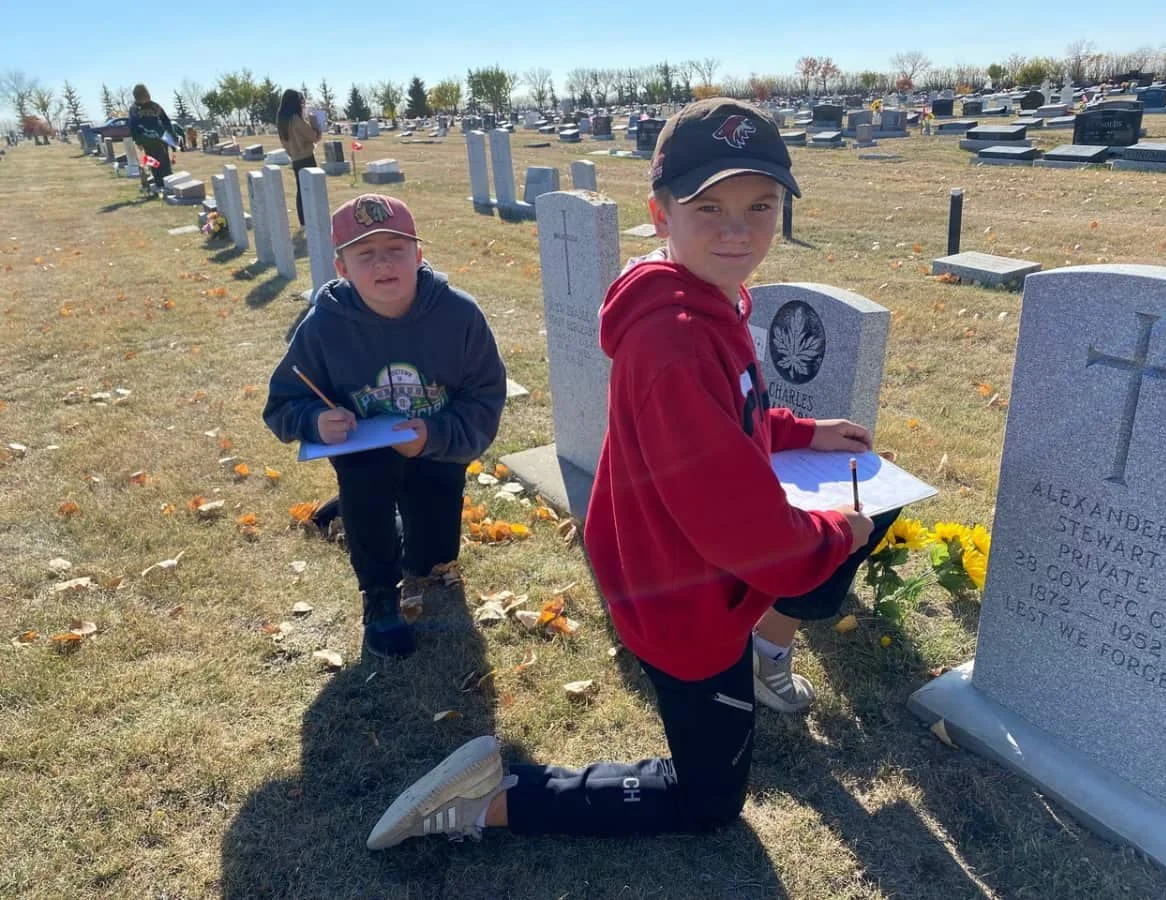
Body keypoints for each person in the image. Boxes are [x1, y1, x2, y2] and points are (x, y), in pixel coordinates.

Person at [364, 98, 900, 850]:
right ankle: (489, 800)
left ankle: (764, 650)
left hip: (693, 574)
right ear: (660, 213)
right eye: (708, 207)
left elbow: (729, 417)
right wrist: (832, 538)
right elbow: (739, 526)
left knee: (864, 520)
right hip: (687, 602)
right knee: (709, 804)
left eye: (760, 205)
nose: (738, 229)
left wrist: (802, 431)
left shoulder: (705, 298)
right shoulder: (675, 338)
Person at [262, 194, 506, 659]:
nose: (383, 264)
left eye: (396, 248)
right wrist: (314, 420)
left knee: (430, 559)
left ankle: (362, 518)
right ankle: (377, 597)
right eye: (365, 254)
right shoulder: (323, 325)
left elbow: (485, 398)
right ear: (342, 268)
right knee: (368, 489)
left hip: (435, 450)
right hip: (365, 455)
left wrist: (434, 437)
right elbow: (282, 404)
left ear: (419, 254)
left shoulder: (459, 315)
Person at [276, 89, 322, 228]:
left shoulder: (282, 121)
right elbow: (314, 136)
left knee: (301, 190)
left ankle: (303, 220)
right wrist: (314, 122)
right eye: (301, 101)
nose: (302, 104)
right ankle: (314, 218)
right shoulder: (295, 119)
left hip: (295, 159)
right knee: (312, 189)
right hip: (306, 157)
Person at [128, 84, 173, 193]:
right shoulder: (134, 109)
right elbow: (133, 125)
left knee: (165, 161)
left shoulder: (155, 106)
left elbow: (166, 121)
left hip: (160, 138)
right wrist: (137, 140)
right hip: (146, 139)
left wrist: (171, 135)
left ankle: (169, 182)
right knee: (154, 162)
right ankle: (159, 184)